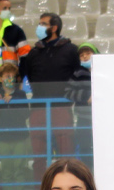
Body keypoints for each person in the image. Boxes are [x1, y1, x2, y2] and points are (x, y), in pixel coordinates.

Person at [20, 11, 77, 159]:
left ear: (54, 28)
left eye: (43, 24)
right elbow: (29, 78)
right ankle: (40, 183)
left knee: (66, 153)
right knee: (39, 155)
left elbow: (76, 76)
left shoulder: (71, 50)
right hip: (38, 108)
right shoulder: (33, 53)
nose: (39, 27)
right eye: (39, 24)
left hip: (62, 107)